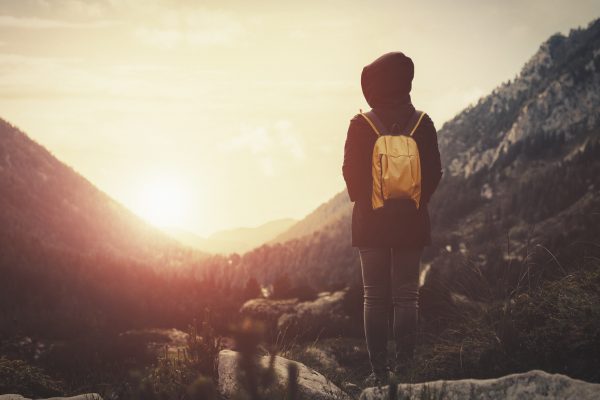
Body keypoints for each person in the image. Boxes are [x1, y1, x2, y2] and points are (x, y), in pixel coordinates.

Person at [342, 52, 442, 385]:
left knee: (374, 296)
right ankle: (406, 371)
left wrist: (370, 203)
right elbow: (434, 173)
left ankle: (379, 374)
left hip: (370, 222)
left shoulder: (361, 124)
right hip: (411, 222)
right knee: (407, 296)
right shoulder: (422, 123)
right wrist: (414, 203)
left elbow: (352, 177)